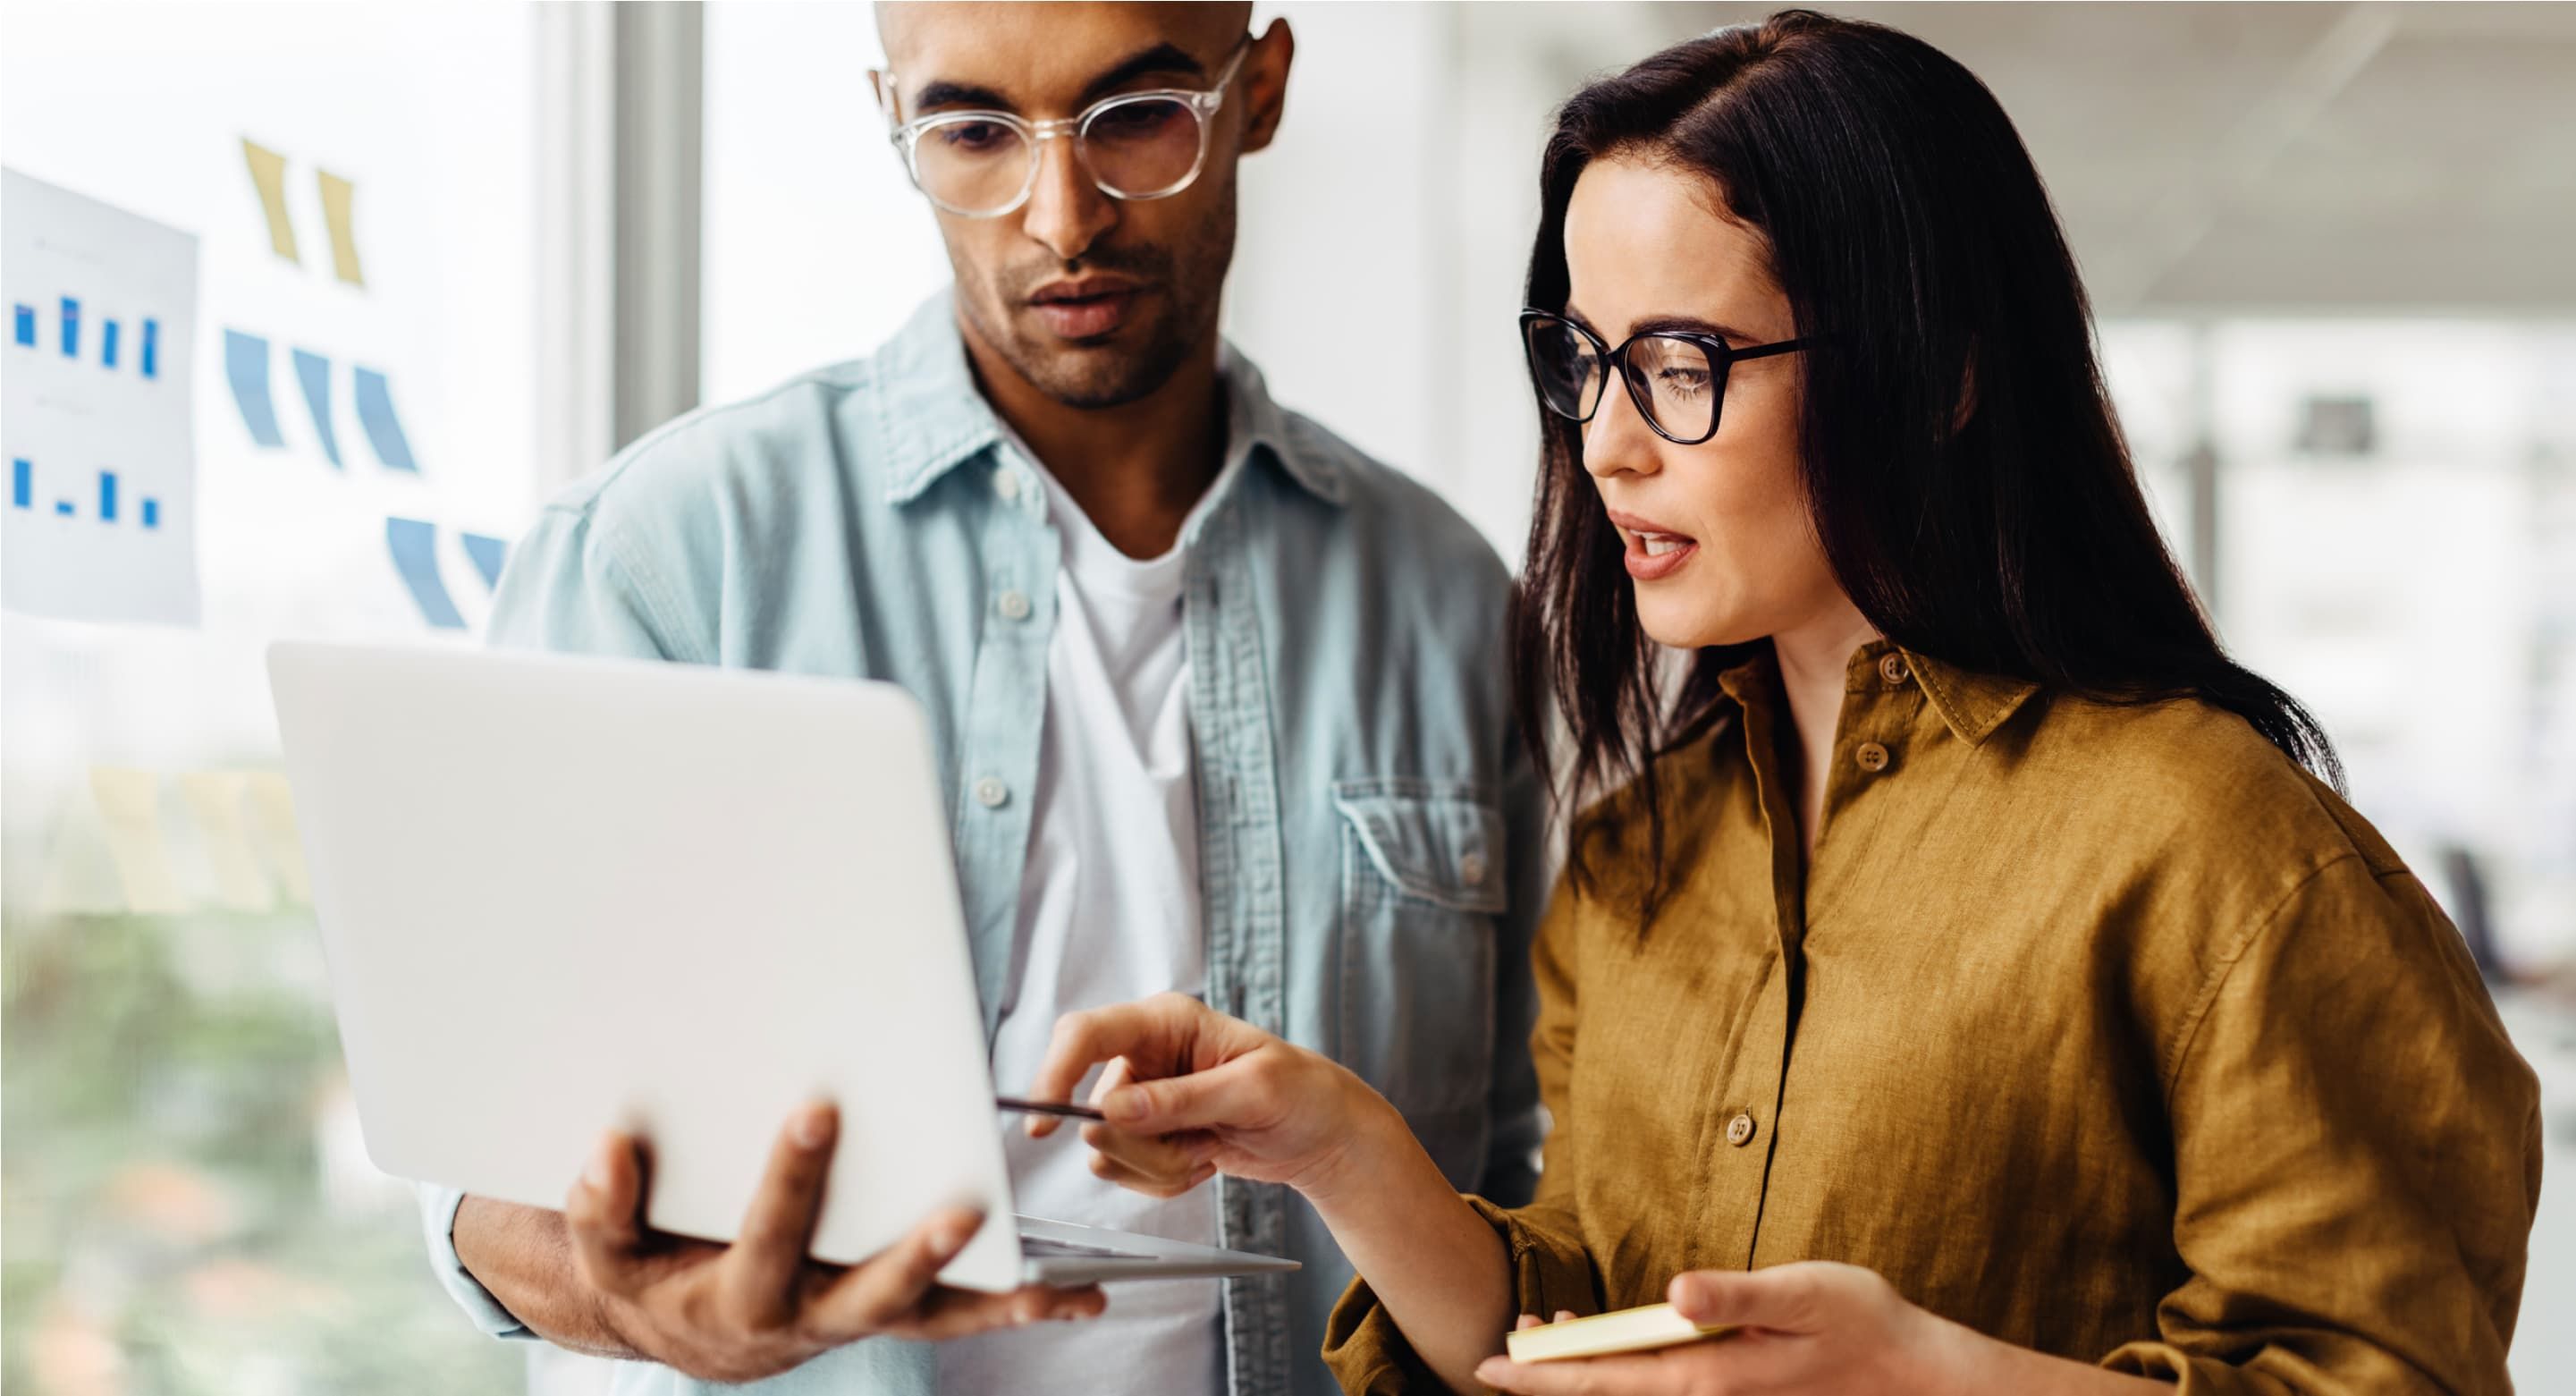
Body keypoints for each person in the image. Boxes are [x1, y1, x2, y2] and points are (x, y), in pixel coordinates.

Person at [1026, 11, 2545, 1395]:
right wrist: (1342, 1149)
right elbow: (1578, 1347)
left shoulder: (2216, 844)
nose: (1610, 444)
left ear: (1938, 370)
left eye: (1682, 361)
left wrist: (1929, 1378)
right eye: (1584, 361)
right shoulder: (1633, 854)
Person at [414, 5, 1545, 1394]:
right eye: (972, 133)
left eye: (1136, 117)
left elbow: (1516, 1180)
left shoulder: (1441, 596)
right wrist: (644, 1304)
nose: (1060, 215)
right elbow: (483, 1174)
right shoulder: (664, 551)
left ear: (1258, 92)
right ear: (892, 121)